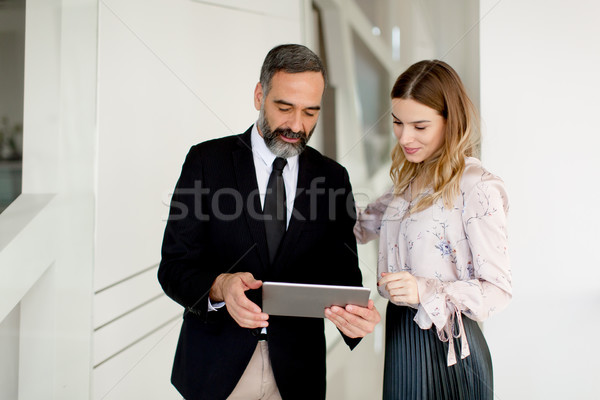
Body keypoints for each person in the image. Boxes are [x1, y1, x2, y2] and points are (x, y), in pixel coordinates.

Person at [158, 44, 380, 400]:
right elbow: (174, 267)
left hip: (297, 374)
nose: (296, 125)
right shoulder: (206, 161)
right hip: (216, 370)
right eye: (284, 107)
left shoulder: (333, 177)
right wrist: (220, 286)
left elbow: (344, 278)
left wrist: (356, 318)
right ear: (260, 94)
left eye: (310, 112)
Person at [354, 60, 512, 399]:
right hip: (401, 336)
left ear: (449, 122)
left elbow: (498, 290)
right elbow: (358, 225)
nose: (405, 137)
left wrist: (424, 290)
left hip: (450, 348)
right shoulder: (410, 179)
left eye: (419, 126)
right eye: (397, 122)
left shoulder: (477, 186)